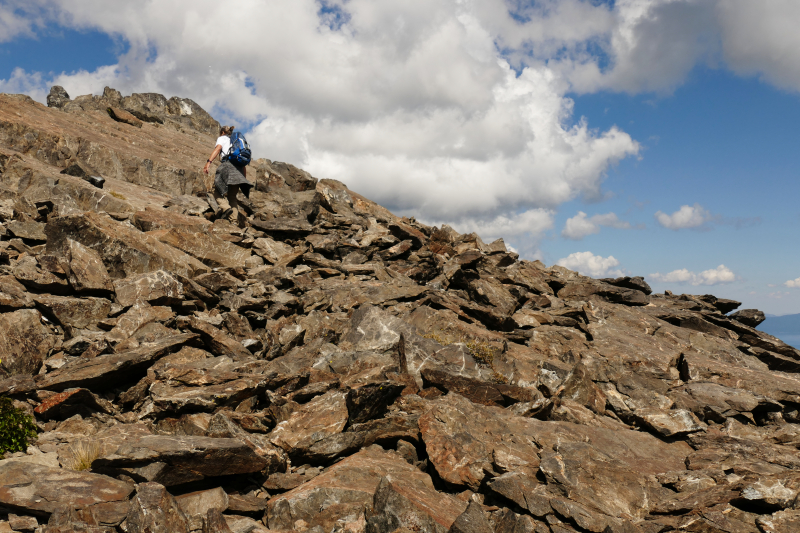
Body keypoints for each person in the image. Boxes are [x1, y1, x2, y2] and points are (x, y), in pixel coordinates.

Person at [203, 125, 253, 226]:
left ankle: (226, 208)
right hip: (238, 171)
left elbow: (218, 148)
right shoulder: (237, 143)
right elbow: (243, 165)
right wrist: (243, 178)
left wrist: (209, 162)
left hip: (227, 166)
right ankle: (234, 221)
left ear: (222, 132)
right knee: (232, 197)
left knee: (215, 190)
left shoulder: (222, 138)